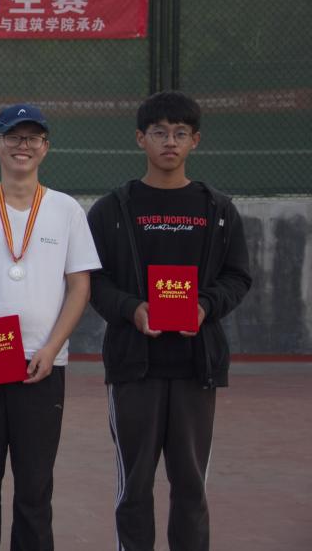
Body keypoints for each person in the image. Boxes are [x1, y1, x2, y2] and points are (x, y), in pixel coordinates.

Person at [87, 91, 252, 551]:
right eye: (159, 132)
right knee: (134, 488)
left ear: (195, 140)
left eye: (181, 133)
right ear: (141, 138)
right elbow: (92, 280)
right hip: (133, 368)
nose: (170, 142)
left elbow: (238, 276)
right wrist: (131, 309)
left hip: (197, 368)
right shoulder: (112, 209)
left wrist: (204, 306)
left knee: (191, 488)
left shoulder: (218, 210)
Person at [0, 103, 100, 551]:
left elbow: (80, 286)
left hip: (40, 367)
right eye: (12, 136)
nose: (22, 146)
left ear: (45, 148)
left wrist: (52, 348)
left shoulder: (66, 210)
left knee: (34, 489)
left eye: (32, 138)